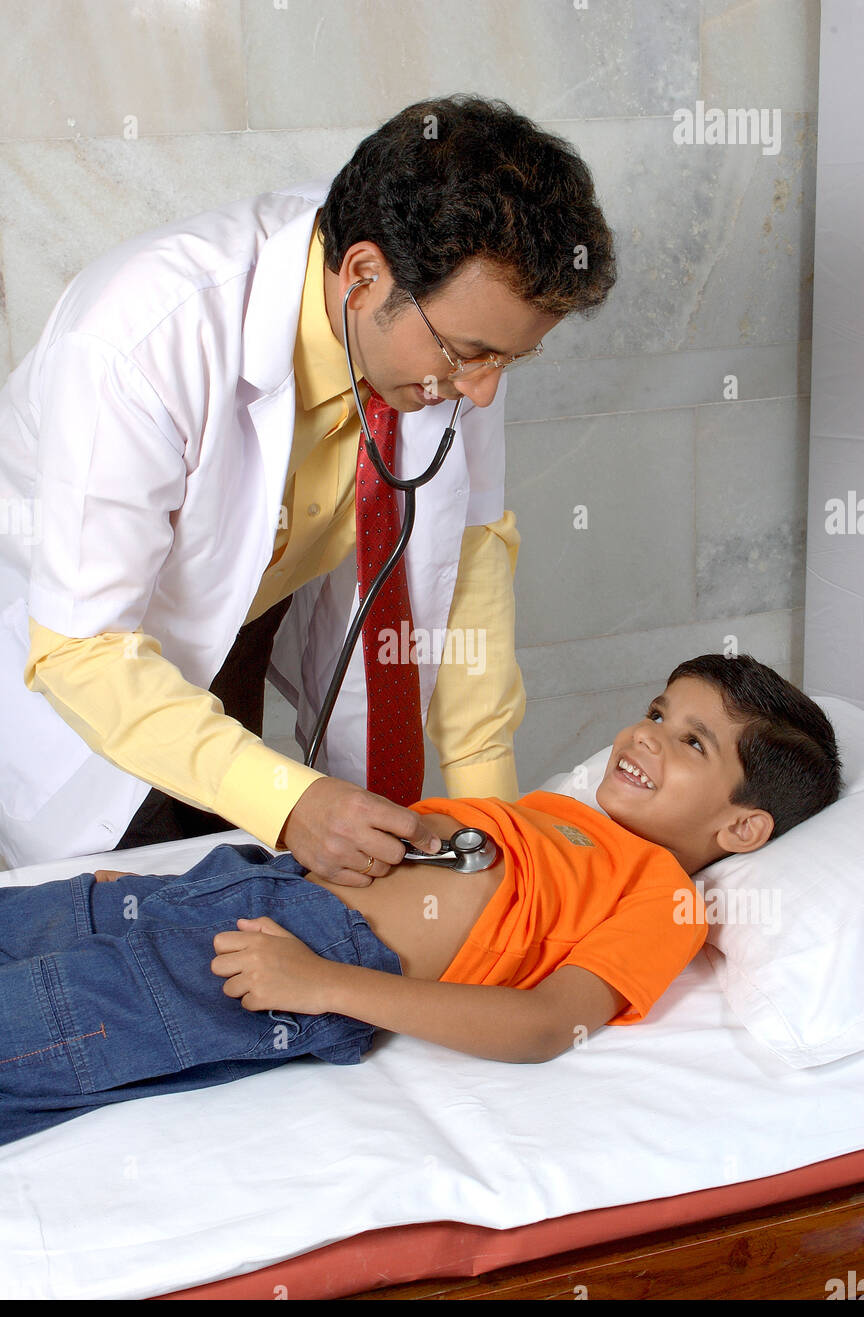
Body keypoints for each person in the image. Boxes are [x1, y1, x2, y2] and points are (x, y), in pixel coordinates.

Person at [0, 94, 616, 877]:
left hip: (242, 615)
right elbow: (82, 649)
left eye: (508, 360)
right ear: (361, 276)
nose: (486, 392)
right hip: (83, 652)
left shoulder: (449, 336)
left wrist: (494, 815)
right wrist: (291, 802)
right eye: (470, 354)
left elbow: (470, 563)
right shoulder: (140, 339)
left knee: (256, 875)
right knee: (147, 910)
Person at [0, 653, 841, 1147]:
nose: (646, 734)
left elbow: (547, 1026)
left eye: (690, 741)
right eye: (658, 711)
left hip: (291, 959)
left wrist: (321, 986)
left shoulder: (661, 897)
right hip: (239, 888)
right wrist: (169, 890)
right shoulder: (559, 814)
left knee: (31, 1027)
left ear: (741, 830)